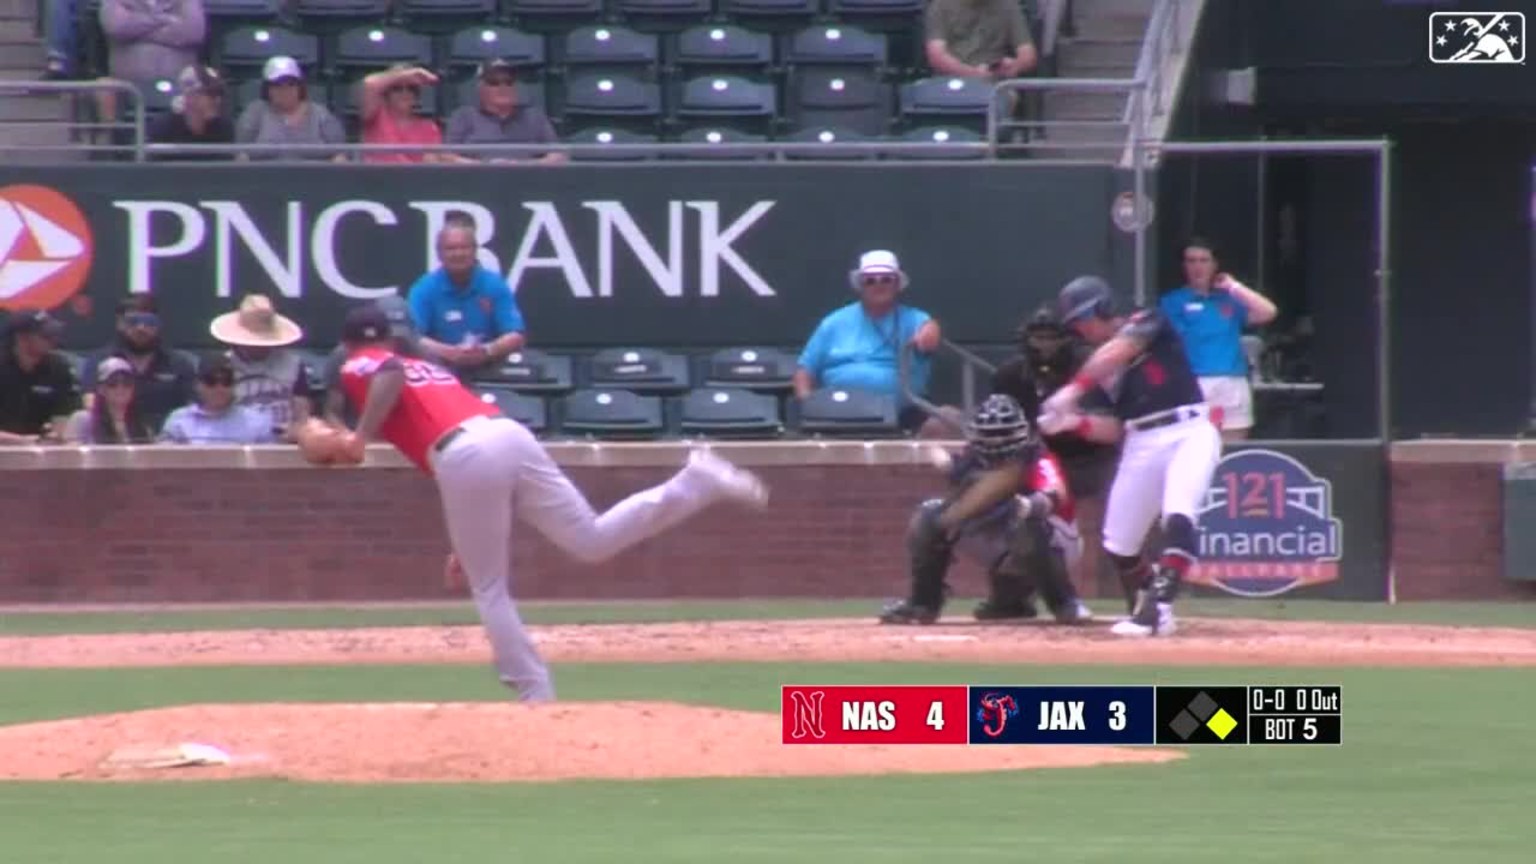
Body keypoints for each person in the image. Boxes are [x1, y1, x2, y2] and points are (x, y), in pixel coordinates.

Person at [328, 304, 769, 702]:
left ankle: (534, 692)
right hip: (506, 433)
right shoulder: (423, 365)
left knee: (489, 587)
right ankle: (693, 482)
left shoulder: (362, 361)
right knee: (590, 539)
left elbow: (386, 373)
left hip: (465, 451)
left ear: (350, 344)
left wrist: (359, 435)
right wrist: (465, 543)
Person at [1039, 276, 1222, 638]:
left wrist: (1072, 392)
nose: (1081, 330)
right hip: (1141, 439)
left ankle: (1158, 609)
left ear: (1104, 309)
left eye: (1084, 320)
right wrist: (1073, 423)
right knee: (1119, 542)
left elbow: (1118, 351)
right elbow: (1115, 428)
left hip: (1189, 430)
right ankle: (1149, 601)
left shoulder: (1147, 321)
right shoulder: (1100, 368)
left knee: (1179, 513)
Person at [878, 394, 1092, 626]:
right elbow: (958, 475)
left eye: (1002, 435)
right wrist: (939, 456)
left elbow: (1057, 492)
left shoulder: (1035, 456)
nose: (997, 442)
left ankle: (1065, 603)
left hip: (1055, 540)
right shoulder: (974, 456)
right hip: (1001, 537)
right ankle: (923, 603)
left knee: (1025, 524)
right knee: (929, 516)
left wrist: (1032, 505)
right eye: (990, 435)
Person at [990, 304, 1121, 600]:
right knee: (1010, 511)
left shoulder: (1088, 367)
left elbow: (1114, 426)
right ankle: (1010, 598)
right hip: (1033, 461)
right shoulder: (1010, 375)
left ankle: (1122, 593)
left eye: (1052, 338)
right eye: (1039, 338)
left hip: (1089, 459)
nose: (1045, 346)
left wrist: (1072, 423)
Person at [793, 250, 953, 436]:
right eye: (870, 280)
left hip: (902, 417)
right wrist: (810, 407)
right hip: (837, 417)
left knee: (948, 419)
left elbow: (930, 334)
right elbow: (804, 372)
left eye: (886, 279)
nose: (878, 285)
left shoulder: (914, 318)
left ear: (897, 284)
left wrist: (931, 329)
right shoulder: (834, 322)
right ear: (861, 285)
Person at [1158, 238, 1278, 441]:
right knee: (1194, 448)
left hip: (1232, 381)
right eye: (1191, 260)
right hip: (1194, 381)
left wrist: (1233, 286)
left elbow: (1268, 311)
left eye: (1204, 260)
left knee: (1231, 451)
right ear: (1184, 265)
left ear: (1215, 265)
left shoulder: (1229, 299)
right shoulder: (1172, 302)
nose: (1197, 266)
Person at [407, 218, 526, 376]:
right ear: (439, 253)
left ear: (475, 250)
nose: (458, 254)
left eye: (464, 248)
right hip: (439, 372)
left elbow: (515, 335)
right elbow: (412, 338)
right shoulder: (424, 288)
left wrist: (486, 351)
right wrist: (450, 353)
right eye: (450, 248)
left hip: (490, 368)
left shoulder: (494, 284)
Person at [0, 311, 81, 444]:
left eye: (53, 334)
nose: (52, 339)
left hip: (44, 452)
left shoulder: (59, 368)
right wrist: (22, 441)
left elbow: (66, 416)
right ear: (22, 338)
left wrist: (56, 436)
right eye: (45, 335)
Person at [159, 352, 275, 444]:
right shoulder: (178, 420)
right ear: (198, 385)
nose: (219, 388)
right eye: (211, 381)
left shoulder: (257, 421)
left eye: (226, 382)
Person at [63, 357, 156, 443]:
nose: (120, 388)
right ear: (101, 389)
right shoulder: (83, 420)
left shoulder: (142, 427)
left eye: (127, 383)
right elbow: (72, 456)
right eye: (113, 383)